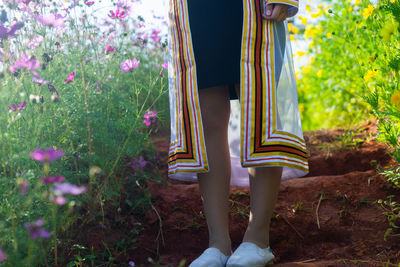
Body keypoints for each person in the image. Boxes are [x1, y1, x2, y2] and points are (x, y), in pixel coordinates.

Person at [166, 0, 309, 266]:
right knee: (206, 114)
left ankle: (258, 239)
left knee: (262, 108)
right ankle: (217, 245)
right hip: (198, 8)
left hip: (252, 7)